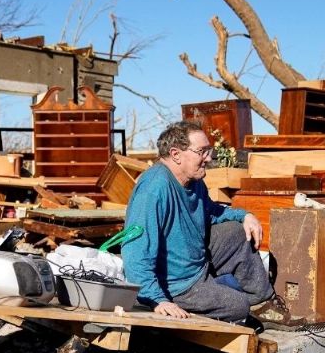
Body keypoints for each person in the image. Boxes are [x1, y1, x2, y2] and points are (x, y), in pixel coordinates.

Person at [121, 121, 301, 329]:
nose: (209, 158)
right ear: (176, 154)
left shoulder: (195, 182)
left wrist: (245, 215)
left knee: (237, 231)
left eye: (209, 151)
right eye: (202, 151)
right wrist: (157, 300)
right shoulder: (153, 189)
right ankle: (197, 304)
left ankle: (263, 305)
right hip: (175, 285)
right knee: (238, 305)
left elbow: (213, 212)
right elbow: (135, 253)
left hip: (197, 263)